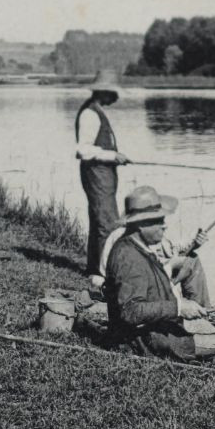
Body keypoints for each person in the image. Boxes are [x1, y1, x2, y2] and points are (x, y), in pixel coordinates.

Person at [99, 186, 215, 361]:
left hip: (156, 329)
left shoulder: (137, 247)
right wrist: (179, 307)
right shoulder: (128, 257)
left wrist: (180, 307)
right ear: (142, 224)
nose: (164, 226)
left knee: (205, 325)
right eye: (159, 221)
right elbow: (130, 311)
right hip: (144, 341)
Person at [75, 69, 131, 279]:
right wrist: (112, 156)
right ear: (104, 92)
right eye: (112, 93)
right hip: (96, 173)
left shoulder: (97, 111)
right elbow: (82, 150)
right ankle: (103, 274)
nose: (115, 97)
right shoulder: (90, 114)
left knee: (99, 219)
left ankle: (94, 270)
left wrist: (115, 157)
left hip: (103, 173)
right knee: (106, 222)